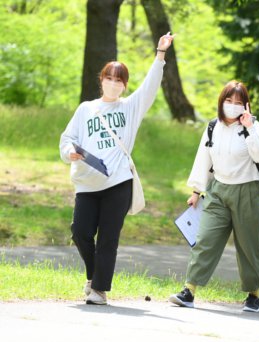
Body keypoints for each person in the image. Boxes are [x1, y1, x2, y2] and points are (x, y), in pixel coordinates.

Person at [59, 33, 175, 305]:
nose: (113, 84)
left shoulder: (130, 108)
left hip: (118, 183)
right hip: (87, 183)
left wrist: (160, 53)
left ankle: (99, 290)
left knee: (108, 238)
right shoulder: (86, 109)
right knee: (81, 232)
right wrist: (69, 153)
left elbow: (150, 86)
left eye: (118, 80)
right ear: (101, 81)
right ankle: (93, 275)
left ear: (124, 85)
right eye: (108, 78)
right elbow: (67, 139)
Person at [168, 81, 259, 312]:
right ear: (221, 102)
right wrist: (197, 190)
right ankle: (189, 290)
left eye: (238, 102)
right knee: (205, 239)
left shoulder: (254, 127)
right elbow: (203, 158)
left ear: (246, 105)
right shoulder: (213, 126)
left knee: (249, 246)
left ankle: (253, 294)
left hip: (248, 191)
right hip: (218, 190)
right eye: (228, 101)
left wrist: (250, 127)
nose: (233, 106)